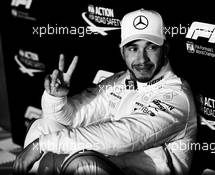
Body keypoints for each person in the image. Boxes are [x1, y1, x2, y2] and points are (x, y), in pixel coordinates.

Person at [13, 8, 197, 175]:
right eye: (133, 48)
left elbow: (124, 136)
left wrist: (42, 144)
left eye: (151, 47)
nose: (142, 59)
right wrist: (56, 98)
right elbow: (72, 119)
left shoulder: (176, 94)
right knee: (43, 126)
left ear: (165, 49)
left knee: (83, 164)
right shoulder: (119, 82)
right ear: (122, 52)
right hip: (117, 166)